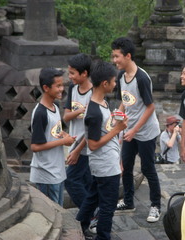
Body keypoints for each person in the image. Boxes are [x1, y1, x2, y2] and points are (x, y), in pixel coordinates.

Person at [111, 37, 162, 222]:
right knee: (126, 167)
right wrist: (117, 115)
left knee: (148, 169)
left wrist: (134, 130)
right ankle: (129, 201)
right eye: (113, 56)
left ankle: (156, 205)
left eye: (117, 56)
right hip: (129, 130)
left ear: (128, 56)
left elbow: (150, 107)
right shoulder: (121, 76)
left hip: (146, 132)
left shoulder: (141, 78)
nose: (114, 60)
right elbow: (125, 101)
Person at [76, 60, 127, 240]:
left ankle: (80, 223)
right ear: (105, 84)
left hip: (107, 162)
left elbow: (104, 130)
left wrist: (115, 122)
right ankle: (103, 236)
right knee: (108, 204)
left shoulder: (102, 103)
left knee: (93, 196)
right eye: (113, 82)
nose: (115, 85)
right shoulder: (94, 112)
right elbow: (93, 144)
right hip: (105, 165)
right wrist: (117, 130)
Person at [30, 68, 76, 206]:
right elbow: (35, 146)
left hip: (57, 170)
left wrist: (65, 136)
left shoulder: (55, 106)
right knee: (53, 212)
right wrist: (63, 141)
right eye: (58, 86)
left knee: (59, 211)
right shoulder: (40, 113)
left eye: (62, 85)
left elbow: (54, 133)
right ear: (46, 88)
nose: (62, 89)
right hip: (46, 174)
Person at [63, 53, 93, 209]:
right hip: (75, 145)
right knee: (87, 183)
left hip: (85, 147)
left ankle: (88, 212)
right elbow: (66, 117)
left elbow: (92, 130)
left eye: (73, 73)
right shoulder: (73, 88)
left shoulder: (94, 95)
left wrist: (77, 151)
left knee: (71, 180)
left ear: (84, 73)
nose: (70, 76)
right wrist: (80, 110)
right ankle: (95, 212)